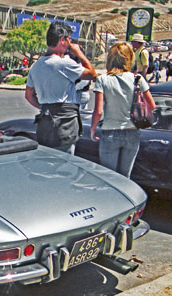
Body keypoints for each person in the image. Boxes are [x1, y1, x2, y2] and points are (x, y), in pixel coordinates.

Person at [25, 21, 96, 154]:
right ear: (62, 40)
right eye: (69, 39)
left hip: (45, 123)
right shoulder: (64, 63)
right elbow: (92, 74)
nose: (70, 43)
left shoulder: (36, 66)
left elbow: (29, 95)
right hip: (64, 123)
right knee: (64, 165)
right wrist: (79, 53)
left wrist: (44, 107)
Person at [89, 43, 155, 178]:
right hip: (132, 131)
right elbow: (152, 106)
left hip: (110, 131)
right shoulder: (138, 79)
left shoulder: (103, 80)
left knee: (108, 177)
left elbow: (99, 110)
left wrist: (93, 128)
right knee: (125, 177)